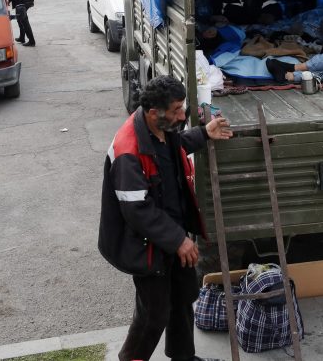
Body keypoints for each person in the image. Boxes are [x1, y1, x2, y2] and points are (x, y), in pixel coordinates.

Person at [99, 75, 233, 361]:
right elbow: (137, 210)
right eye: (176, 110)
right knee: (154, 314)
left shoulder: (162, 129)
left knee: (182, 299)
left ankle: (183, 357)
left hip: (173, 236)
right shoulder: (128, 151)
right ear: (153, 113)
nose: (182, 115)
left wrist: (204, 133)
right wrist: (178, 241)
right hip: (145, 244)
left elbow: (177, 145)